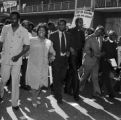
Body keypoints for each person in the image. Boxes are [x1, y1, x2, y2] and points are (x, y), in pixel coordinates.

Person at [0, 11, 30, 110]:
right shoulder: (5, 28)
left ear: (18, 19)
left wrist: (18, 56)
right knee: (4, 79)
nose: (13, 20)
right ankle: (1, 93)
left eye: (15, 18)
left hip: (17, 61)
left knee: (15, 81)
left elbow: (26, 46)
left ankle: (14, 103)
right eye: (11, 18)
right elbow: (1, 42)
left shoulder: (24, 31)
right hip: (5, 59)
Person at [26, 24, 55, 107]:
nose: (41, 32)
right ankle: (34, 99)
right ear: (37, 31)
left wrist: (51, 57)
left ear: (46, 32)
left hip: (43, 66)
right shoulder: (31, 40)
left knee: (41, 84)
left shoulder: (49, 42)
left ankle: (34, 97)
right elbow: (26, 50)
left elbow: (52, 52)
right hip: (33, 65)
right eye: (39, 30)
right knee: (34, 84)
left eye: (43, 30)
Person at [79, 25, 104, 97]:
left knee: (95, 77)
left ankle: (97, 92)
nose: (97, 32)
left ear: (101, 32)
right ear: (95, 29)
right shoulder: (89, 37)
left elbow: (100, 49)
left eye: (100, 31)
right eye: (97, 30)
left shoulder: (102, 38)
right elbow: (86, 49)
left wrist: (101, 54)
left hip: (96, 61)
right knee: (85, 76)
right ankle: (79, 87)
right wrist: (92, 53)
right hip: (89, 60)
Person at [49, 19, 70, 104]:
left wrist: (68, 51)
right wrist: (50, 57)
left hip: (64, 60)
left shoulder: (68, 35)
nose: (62, 26)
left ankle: (54, 88)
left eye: (63, 25)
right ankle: (59, 96)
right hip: (56, 59)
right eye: (60, 24)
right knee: (57, 78)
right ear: (58, 26)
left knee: (62, 77)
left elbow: (68, 46)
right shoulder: (52, 35)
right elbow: (49, 48)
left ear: (65, 26)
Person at [64, 18, 85, 101]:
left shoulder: (82, 32)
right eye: (80, 22)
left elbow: (83, 42)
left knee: (71, 72)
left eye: (82, 22)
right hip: (72, 54)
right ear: (76, 23)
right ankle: (76, 94)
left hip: (79, 55)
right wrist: (70, 48)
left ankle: (67, 89)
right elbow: (66, 40)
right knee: (76, 74)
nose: (81, 23)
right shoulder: (71, 30)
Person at [100, 30, 117, 98]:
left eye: (114, 35)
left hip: (113, 62)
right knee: (107, 78)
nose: (113, 36)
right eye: (112, 35)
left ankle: (97, 90)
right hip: (105, 62)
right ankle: (111, 93)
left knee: (104, 77)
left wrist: (115, 66)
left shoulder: (115, 43)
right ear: (109, 35)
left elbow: (115, 55)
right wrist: (107, 59)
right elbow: (102, 53)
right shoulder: (105, 42)